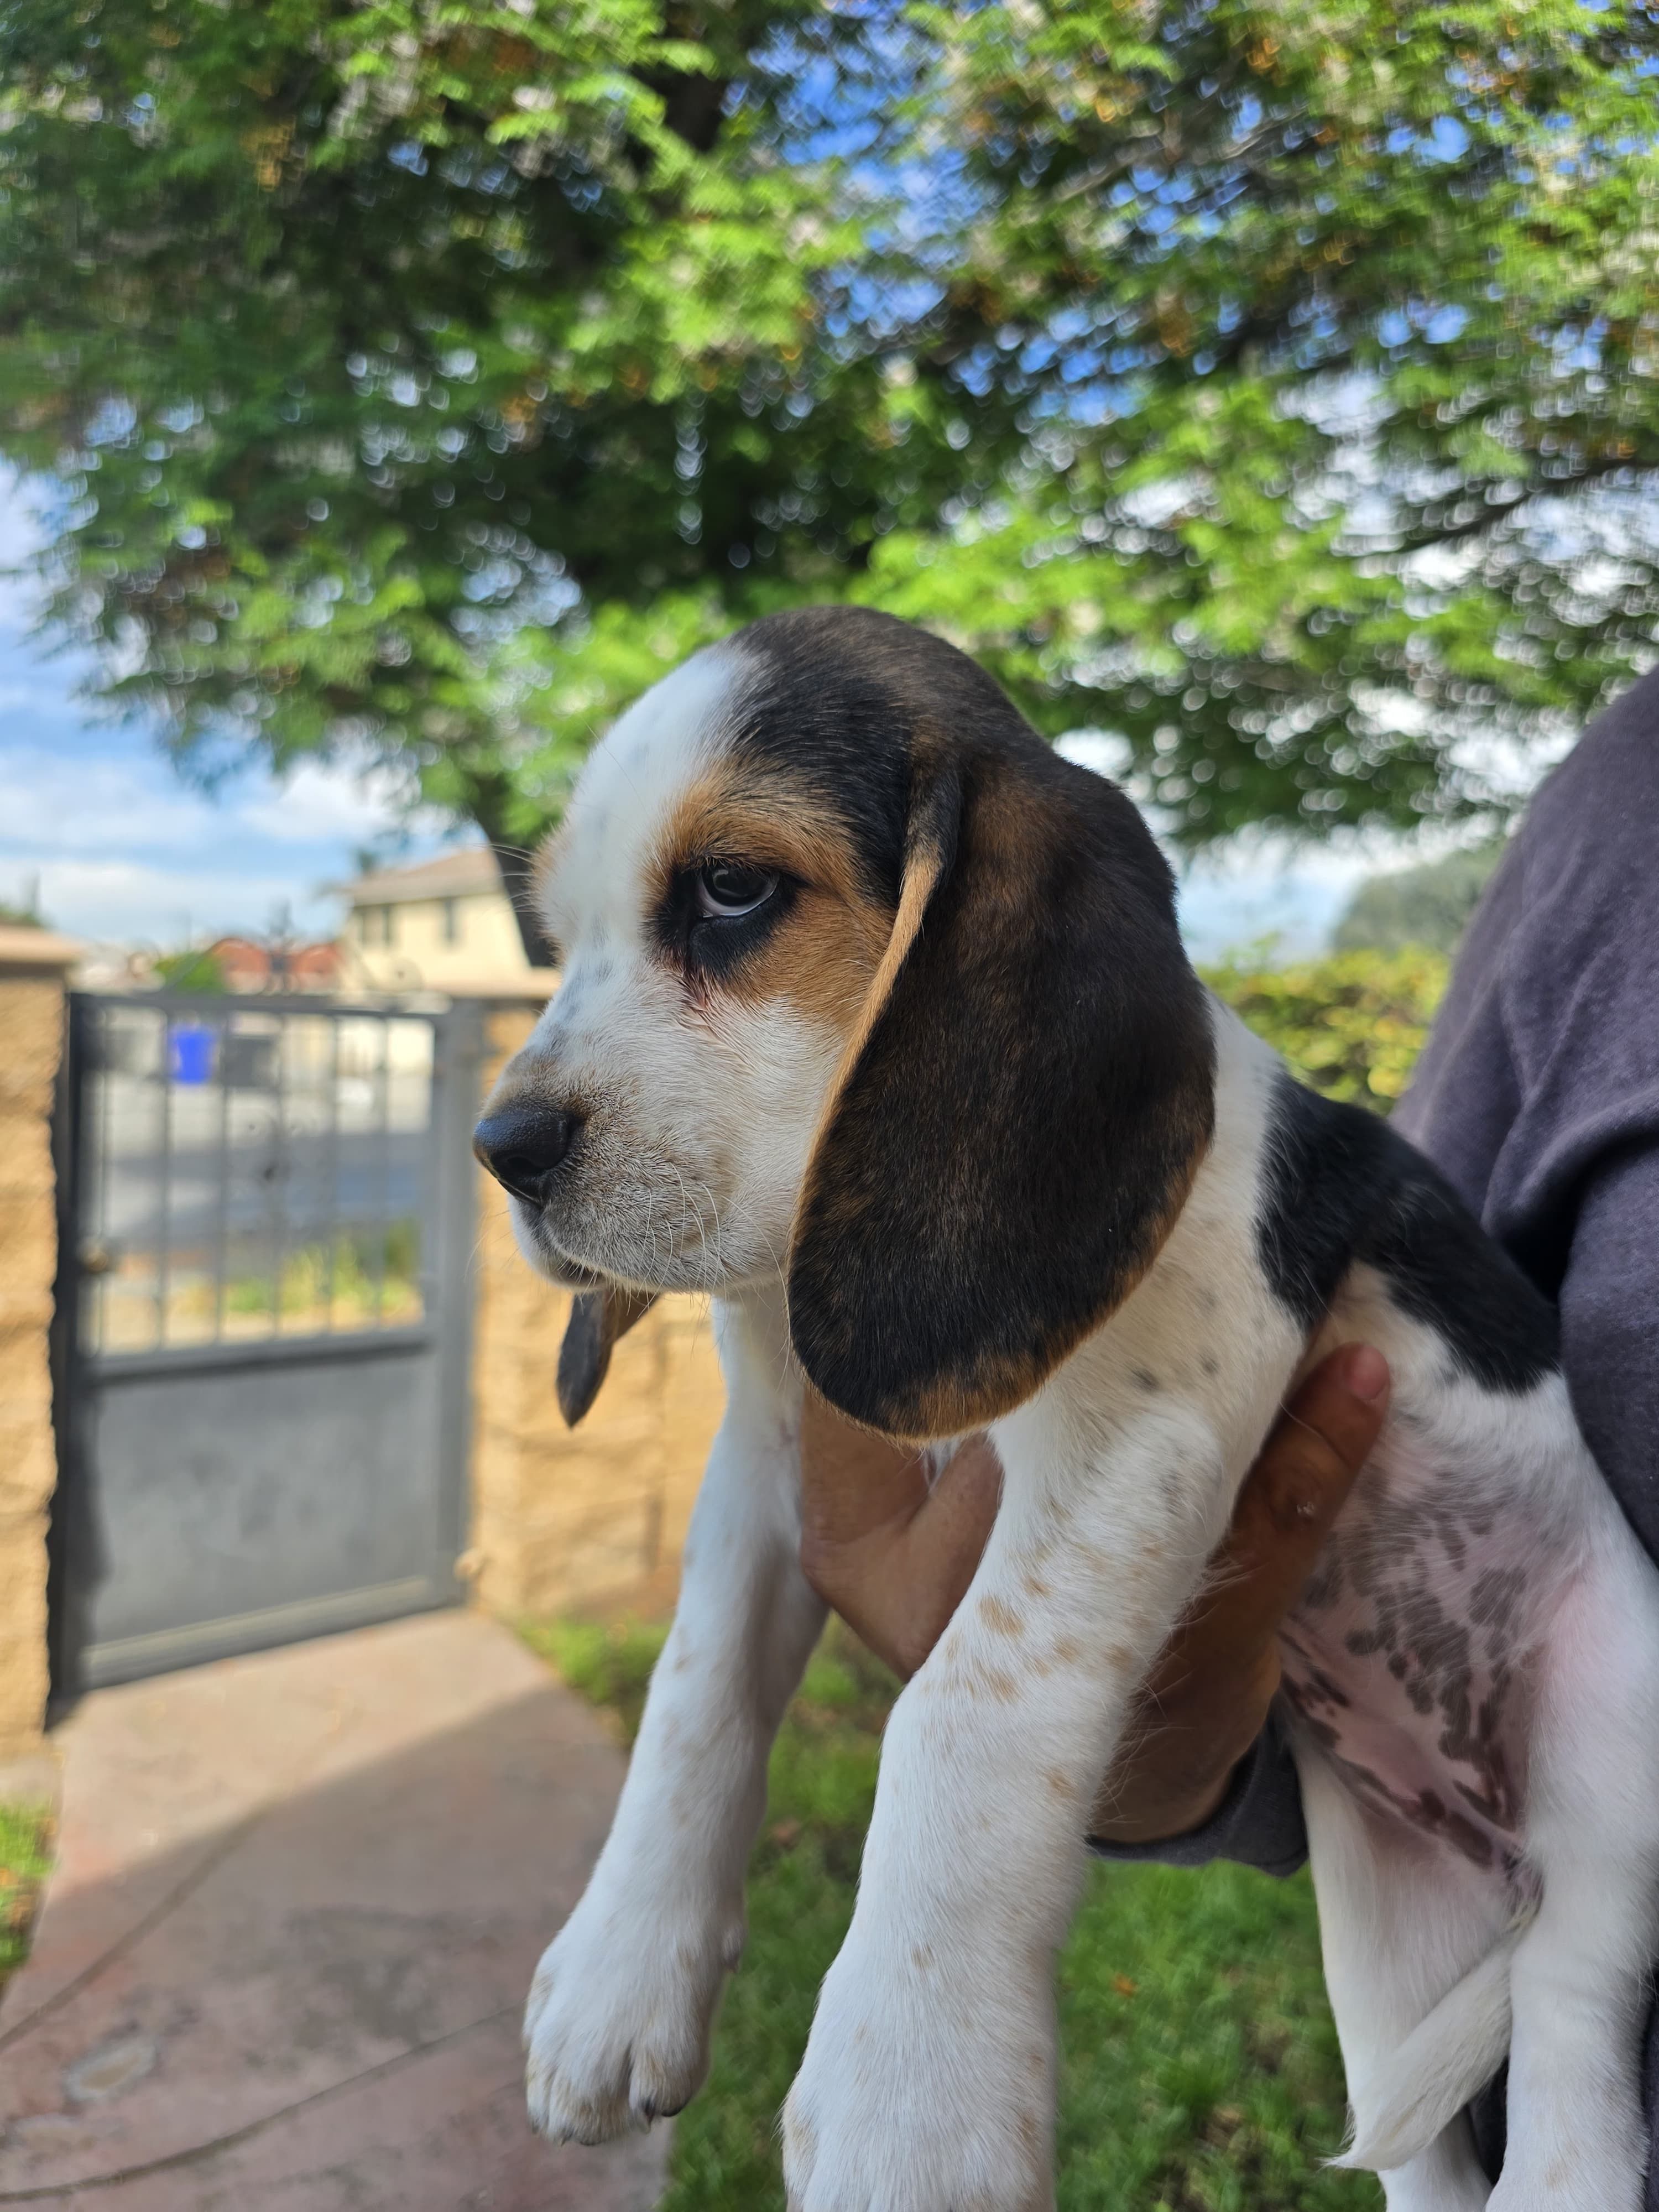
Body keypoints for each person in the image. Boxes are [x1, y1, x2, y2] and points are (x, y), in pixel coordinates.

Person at [798, 666, 1659, 2182]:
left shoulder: (1156, 1079)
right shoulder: (1624, 809)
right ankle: (1421, 2163)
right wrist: (1164, 1714)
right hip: (1358, 1710)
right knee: (1395, 2014)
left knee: (1570, 1932)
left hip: (1573, 1659)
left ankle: (1575, 2030)